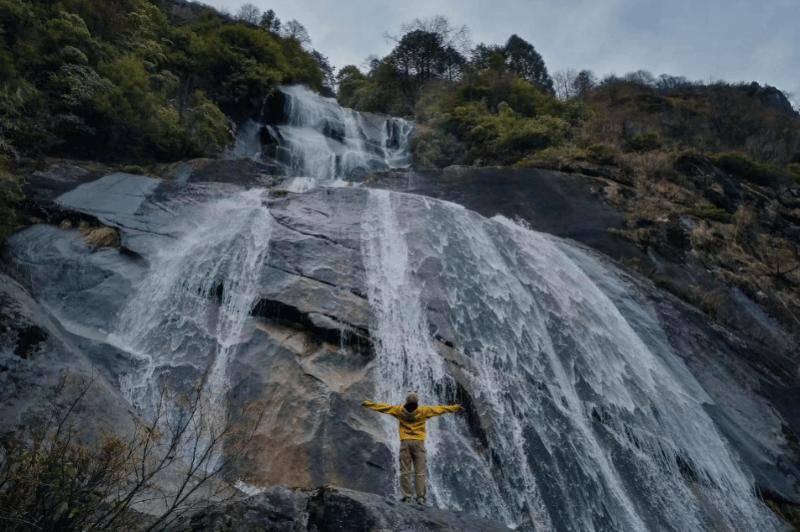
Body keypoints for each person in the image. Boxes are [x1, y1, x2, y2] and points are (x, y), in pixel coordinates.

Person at [362, 392, 462, 505]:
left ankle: (407, 496)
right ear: (417, 403)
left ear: (406, 401)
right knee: (420, 472)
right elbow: (440, 409)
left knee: (405, 471)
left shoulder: (399, 410)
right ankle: (420, 498)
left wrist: (368, 404)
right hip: (419, 443)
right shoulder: (424, 411)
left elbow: (383, 408)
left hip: (405, 443)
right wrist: (455, 407)